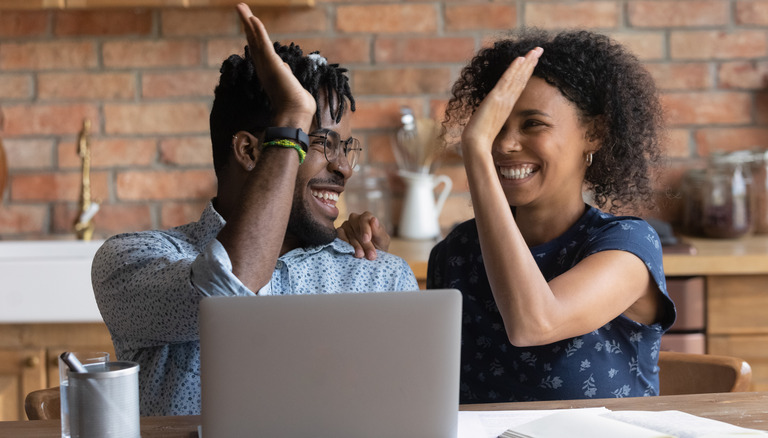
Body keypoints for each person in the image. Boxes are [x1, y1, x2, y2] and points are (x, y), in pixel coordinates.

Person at [92, 3, 417, 417]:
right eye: (319, 142)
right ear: (250, 151)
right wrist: (291, 118)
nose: (345, 167)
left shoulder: (379, 275)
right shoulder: (133, 261)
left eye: (345, 146)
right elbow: (230, 289)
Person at [345, 28, 676, 402]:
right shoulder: (457, 253)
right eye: (495, 128)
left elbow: (534, 323)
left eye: (533, 123)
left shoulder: (627, 248)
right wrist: (372, 265)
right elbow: (416, 384)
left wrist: (475, 149)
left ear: (594, 132)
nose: (503, 144)